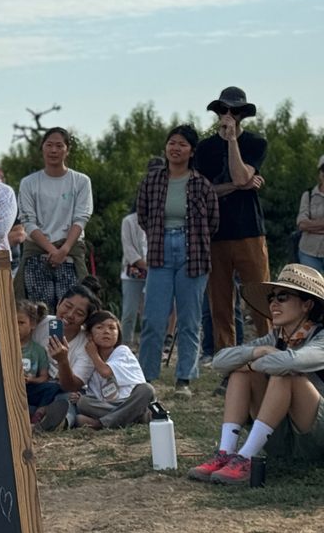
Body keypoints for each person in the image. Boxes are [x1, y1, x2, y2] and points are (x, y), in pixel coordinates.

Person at [189, 264, 324, 485]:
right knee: (240, 375)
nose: (274, 303)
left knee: (285, 375)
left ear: (306, 305)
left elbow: (290, 361)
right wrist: (258, 351)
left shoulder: (320, 338)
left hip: (317, 435)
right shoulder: (273, 338)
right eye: (272, 297)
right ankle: (226, 453)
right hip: (284, 435)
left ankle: (247, 457)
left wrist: (250, 364)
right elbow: (220, 361)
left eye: (283, 297)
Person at [135, 125, 220, 394]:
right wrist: (162, 234)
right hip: (160, 251)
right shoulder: (152, 181)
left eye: (182, 144)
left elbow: (213, 222)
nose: (175, 148)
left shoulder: (201, 184)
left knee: (189, 319)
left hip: (193, 252)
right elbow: (143, 215)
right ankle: (146, 376)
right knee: (153, 318)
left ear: (191, 151)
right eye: (172, 142)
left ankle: (184, 378)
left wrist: (191, 237)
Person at [196, 87, 270, 357]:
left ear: (242, 115)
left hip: (249, 231)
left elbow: (241, 175)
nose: (229, 115)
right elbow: (207, 190)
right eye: (224, 109)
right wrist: (240, 185)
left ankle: (270, 351)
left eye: (235, 111)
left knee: (260, 296)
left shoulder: (255, 143)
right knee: (221, 304)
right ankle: (227, 361)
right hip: (215, 234)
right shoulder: (203, 149)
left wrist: (231, 142)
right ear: (217, 112)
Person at [16, 127, 94, 306]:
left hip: (71, 251)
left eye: (59, 146)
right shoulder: (29, 183)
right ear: (42, 148)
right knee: (37, 312)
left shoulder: (81, 181)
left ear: (67, 150)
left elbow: (81, 217)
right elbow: (28, 221)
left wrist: (64, 250)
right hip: (37, 251)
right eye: (49, 145)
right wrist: (53, 251)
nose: (53, 150)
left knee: (73, 310)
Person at [32, 278, 104, 431]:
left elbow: (72, 386)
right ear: (59, 303)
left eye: (79, 313)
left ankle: (60, 422)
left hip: (66, 390)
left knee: (67, 400)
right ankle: (39, 417)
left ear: (85, 320)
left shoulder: (87, 344)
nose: (70, 315)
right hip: (38, 386)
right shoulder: (41, 323)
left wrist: (63, 361)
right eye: (67, 306)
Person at [68, 311, 153, 430]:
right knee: (83, 402)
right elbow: (95, 394)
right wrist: (79, 397)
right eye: (99, 327)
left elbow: (105, 372)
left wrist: (93, 354)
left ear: (118, 334)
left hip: (131, 401)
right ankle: (133, 418)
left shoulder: (122, 351)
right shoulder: (89, 362)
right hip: (109, 406)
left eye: (112, 328)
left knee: (147, 389)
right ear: (89, 335)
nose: (106, 331)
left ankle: (102, 424)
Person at [16, 299, 56, 415]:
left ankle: (39, 412)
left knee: (52, 388)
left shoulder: (38, 350)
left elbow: (44, 377)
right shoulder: (4, 348)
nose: (16, 327)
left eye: (21, 323)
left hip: (30, 389)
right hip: (9, 390)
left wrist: (31, 379)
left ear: (32, 324)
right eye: (12, 322)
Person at [119, 207, 147, 347]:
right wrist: (143, 264)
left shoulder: (158, 219)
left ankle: (146, 343)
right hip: (133, 273)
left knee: (148, 313)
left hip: (154, 272)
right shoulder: (129, 221)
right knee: (129, 311)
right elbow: (128, 248)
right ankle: (125, 343)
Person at [295, 154, 324, 274]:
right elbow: (302, 224)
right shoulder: (308, 195)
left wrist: (312, 227)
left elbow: (307, 225)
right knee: (309, 291)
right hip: (308, 252)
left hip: (310, 240)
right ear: (319, 173)